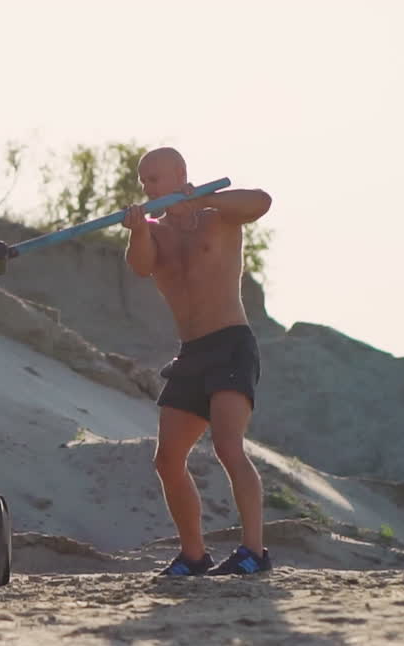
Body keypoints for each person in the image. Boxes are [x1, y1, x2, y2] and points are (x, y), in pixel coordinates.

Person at [121, 147, 274, 576]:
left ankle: (254, 553)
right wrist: (137, 230)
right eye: (144, 180)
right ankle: (193, 555)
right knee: (167, 459)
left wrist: (205, 199)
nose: (147, 187)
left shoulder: (218, 216)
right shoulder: (154, 232)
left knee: (228, 445)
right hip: (191, 354)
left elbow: (261, 201)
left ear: (179, 175)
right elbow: (140, 267)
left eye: (155, 178)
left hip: (231, 344)